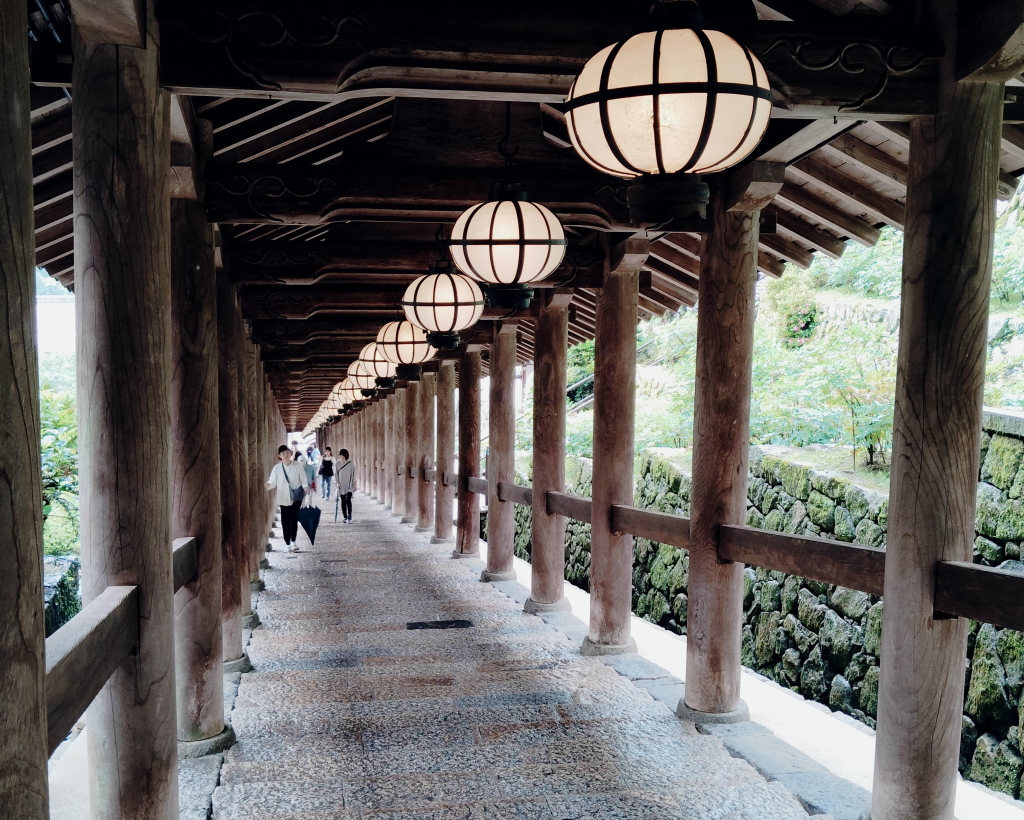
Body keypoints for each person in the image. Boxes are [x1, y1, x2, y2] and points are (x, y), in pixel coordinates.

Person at [266, 444, 310, 552]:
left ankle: (293, 542)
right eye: (283, 453)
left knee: (294, 519)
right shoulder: (277, 468)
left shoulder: (298, 465)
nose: (286, 455)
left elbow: (303, 479)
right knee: (285, 521)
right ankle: (287, 543)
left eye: (287, 452)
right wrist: (268, 485)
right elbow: (272, 481)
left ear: (291, 453)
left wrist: (305, 488)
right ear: (279, 455)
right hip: (283, 497)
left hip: (296, 497)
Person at [336, 448, 356, 523]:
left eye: (343, 456)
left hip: (349, 485)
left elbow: (354, 475)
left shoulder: (351, 464)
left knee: (347, 499)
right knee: (343, 501)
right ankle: (345, 517)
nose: (341, 458)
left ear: (346, 456)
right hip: (341, 485)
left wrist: (355, 484)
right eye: (340, 456)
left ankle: (349, 515)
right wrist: (337, 483)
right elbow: (336, 475)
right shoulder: (337, 464)